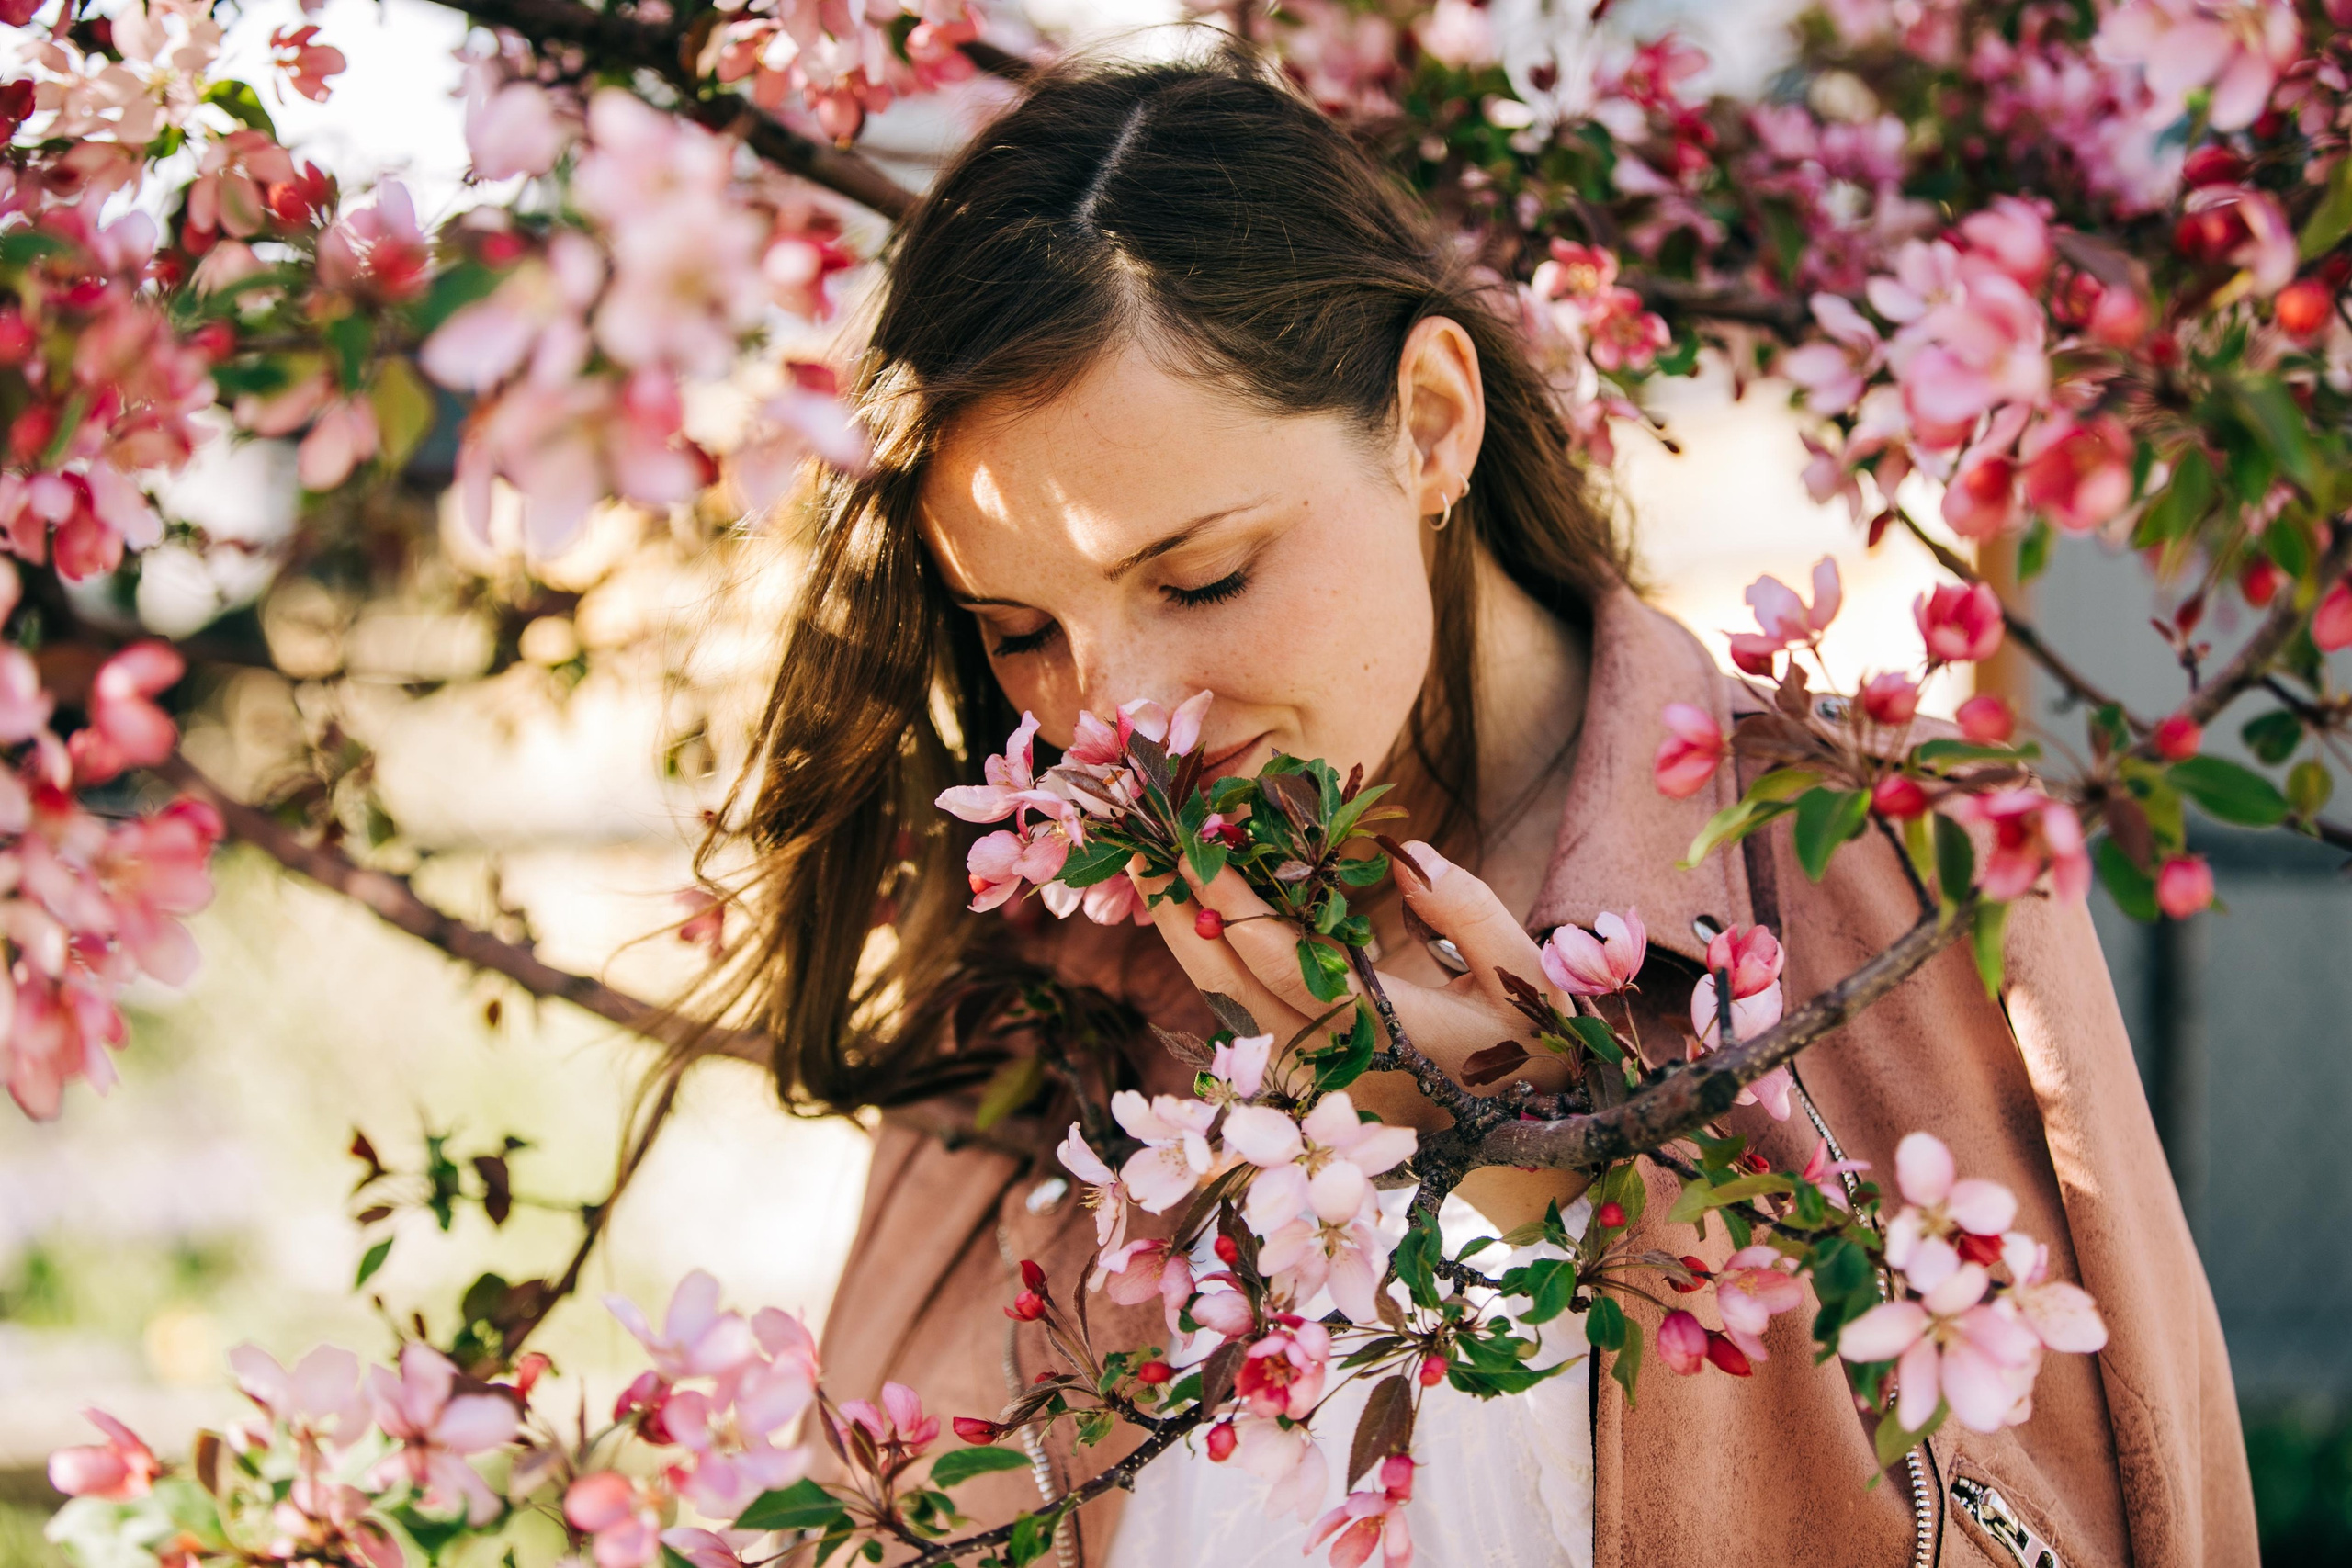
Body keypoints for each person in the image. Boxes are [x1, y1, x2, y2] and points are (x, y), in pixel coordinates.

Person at [708, 45, 2256, 1568]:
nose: (1112, 729)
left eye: (1204, 577)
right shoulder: (1045, 966)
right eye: (1019, 631)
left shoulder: (1906, 869)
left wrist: (1563, 1185)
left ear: (1433, 423)